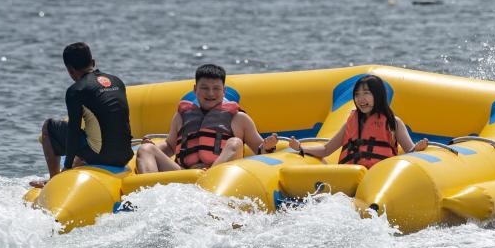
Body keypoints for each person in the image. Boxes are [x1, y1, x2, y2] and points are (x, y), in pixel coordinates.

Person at [135, 64, 277, 173]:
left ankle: (209, 179)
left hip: (218, 176)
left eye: (216, 88)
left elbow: (260, 152)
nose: (210, 93)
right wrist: (154, 147)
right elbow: (171, 146)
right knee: (145, 149)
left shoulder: (240, 118)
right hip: (184, 174)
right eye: (204, 88)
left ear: (224, 91)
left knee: (235, 142)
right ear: (195, 89)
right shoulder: (181, 116)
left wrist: (267, 146)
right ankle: (149, 191)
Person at [31, 42, 133, 188]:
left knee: (49, 126)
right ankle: (77, 167)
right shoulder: (117, 81)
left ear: (70, 70)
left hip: (102, 156)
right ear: (93, 62)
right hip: (125, 156)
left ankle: (54, 182)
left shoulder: (76, 90)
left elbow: (73, 131)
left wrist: (66, 167)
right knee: (90, 135)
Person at [286, 74, 428, 168]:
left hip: (378, 175)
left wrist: (418, 148)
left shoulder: (393, 123)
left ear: (378, 96)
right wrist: (300, 148)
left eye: (366, 93)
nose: (361, 99)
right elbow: (326, 149)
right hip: (350, 175)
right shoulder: (351, 122)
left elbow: (410, 151)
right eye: (357, 95)